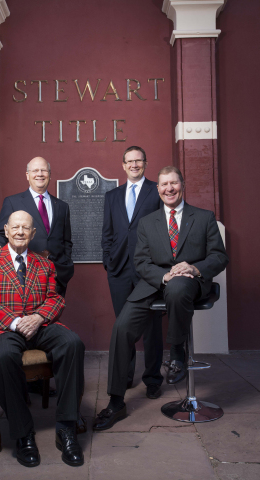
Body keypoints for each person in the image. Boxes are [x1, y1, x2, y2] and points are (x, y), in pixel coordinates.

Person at [94, 166, 229, 431]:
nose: (169, 189)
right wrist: (164, 276)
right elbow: (141, 261)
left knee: (178, 287)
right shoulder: (148, 222)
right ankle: (116, 400)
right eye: (164, 184)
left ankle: (177, 351)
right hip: (154, 284)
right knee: (121, 328)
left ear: (182, 185)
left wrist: (193, 268)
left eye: (174, 184)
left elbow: (219, 256)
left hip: (190, 282)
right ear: (158, 189)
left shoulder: (203, 217)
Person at [0, 211, 85, 467]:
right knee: (1, 356)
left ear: (33, 234)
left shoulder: (44, 263)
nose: (21, 231)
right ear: (7, 231)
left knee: (73, 344)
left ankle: (66, 428)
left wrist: (37, 318)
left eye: (26, 227)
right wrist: (14, 322)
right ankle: (24, 434)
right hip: (2, 327)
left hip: (39, 324)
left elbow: (55, 299)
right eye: (16, 227)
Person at [101, 146, 163, 398]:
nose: (134, 165)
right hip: (118, 269)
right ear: (123, 165)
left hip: (148, 269)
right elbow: (107, 232)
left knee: (152, 327)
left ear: (145, 164)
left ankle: (153, 379)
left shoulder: (156, 190)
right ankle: (125, 376)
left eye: (138, 161)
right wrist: (108, 260)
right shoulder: (112, 195)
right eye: (130, 161)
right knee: (122, 327)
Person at [0, 156, 73, 298]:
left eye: (44, 170)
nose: (40, 174)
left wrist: (66, 267)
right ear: (27, 175)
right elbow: (2, 233)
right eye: (35, 170)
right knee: (29, 319)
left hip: (57, 276)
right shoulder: (13, 202)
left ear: (49, 174)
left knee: (51, 315)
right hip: (26, 273)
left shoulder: (62, 206)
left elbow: (66, 241)